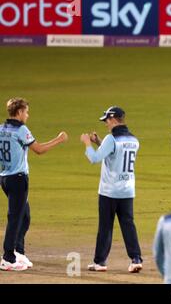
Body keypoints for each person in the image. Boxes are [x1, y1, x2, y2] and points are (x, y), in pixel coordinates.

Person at [0, 98, 68, 271]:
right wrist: (59, 140)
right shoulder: (21, 129)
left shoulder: (1, 129)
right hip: (18, 178)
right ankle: (8, 257)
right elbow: (38, 149)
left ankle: (18, 252)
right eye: (26, 112)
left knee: (25, 216)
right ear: (20, 112)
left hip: (5, 177)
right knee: (15, 217)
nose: (28, 115)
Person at [80, 106, 143, 273]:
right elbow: (117, 154)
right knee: (128, 225)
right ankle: (136, 259)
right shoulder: (134, 140)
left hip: (109, 191)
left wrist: (87, 144)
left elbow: (94, 158)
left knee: (106, 226)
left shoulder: (111, 139)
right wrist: (100, 142)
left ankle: (100, 262)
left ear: (114, 119)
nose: (106, 123)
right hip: (128, 190)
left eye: (107, 120)